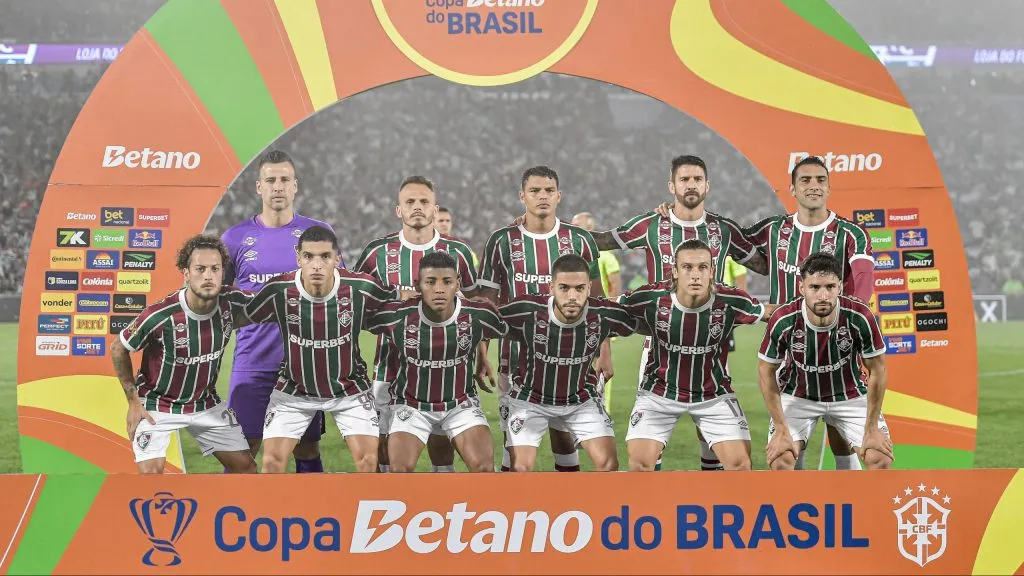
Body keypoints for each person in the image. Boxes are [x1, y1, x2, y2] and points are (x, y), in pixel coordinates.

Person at [604, 155, 767, 471]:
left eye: (697, 179)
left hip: (711, 343)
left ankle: (711, 484)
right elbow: (603, 240)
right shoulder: (652, 224)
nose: (691, 185)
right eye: (684, 179)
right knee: (648, 451)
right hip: (659, 344)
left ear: (707, 185)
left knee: (711, 433)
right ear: (672, 186)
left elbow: (763, 263)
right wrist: (546, 226)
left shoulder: (723, 229)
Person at [744, 155, 875, 471]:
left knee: (841, 431)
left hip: (838, 346)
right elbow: (729, 239)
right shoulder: (773, 229)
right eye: (805, 180)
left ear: (829, 187)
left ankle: (848, 497)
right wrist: (677, 213)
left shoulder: (851, 233)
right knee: (788, 445)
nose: (813, 186)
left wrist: (850, 325)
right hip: (788, 350)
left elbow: (863, 279)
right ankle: (799, 497)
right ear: (792, 188)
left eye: (820, 180)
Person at [477, 165, 611, 473]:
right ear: (522, 196)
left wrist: (605, 350)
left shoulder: (580, 239)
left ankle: (569, 500)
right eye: (535, 191)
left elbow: (598, 301)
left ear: (558, 196)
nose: (542, 196)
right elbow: (488, 304)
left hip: (572, 361)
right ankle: (514, 501)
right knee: (514, 444)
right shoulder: (501, 241)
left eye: (549, 191)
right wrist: (482, 351)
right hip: (516, 361)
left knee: (565, 438)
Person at [240, 226, 395, 473]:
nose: (316, 265)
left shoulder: (361, 287)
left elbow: (397, 306)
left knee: (368, 462)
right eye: (309, 256)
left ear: (337, 258)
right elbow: (242, 315)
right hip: (293, 391)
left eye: (325, 256)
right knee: (271, 463)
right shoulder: (279, 289)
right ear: (298, 258)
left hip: (350, 389)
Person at [353, 176, 478, 473]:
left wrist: (482, 354)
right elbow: (357, 301)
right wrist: (395, 299)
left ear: (435, 208)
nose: (417, 207)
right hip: (388, 366)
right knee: (383, 442)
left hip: (445, 370)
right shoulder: (377, 252)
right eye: (410, 202)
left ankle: (442, 494)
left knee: (440, 442)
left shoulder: (458, 251)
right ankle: (386, 497)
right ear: (399, 210)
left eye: (424, 201)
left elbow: (476, 308)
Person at [221, 149, 334, 474]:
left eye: (285, 179)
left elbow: (336, 293)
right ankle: (235, 509)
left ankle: (309, 507)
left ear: (295, 185)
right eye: (271, 180)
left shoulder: (317, 234)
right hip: (252, 363)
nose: (278, 186)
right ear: (259, 187)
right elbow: (223, 301)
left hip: (303, 366)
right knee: (242, 451)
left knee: (307, 447)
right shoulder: (235, 238)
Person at [619, 240, 775, 471]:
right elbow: (607, 310)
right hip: (659, 394)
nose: (695, 275)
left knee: (740, 466)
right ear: (674, 271)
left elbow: (772, 313)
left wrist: (812, 310)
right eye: (687, 267)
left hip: (713, 396)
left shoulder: (730, 300)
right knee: (640, 465)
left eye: (702, 267)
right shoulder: (651, 297)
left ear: (712, 271)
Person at [110, 235, 255, 474]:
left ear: (223, 273)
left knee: (246, 468)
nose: (208, 276)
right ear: (186, 273)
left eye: (215, 269)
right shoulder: (160, 315)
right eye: (200, 269)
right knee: (151, 476)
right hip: (157, 404)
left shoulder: (232, 302)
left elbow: (273, 302)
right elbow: (119, 347)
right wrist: (133, 401)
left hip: (205, 404)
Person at [366, 252, 506, 473]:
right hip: (411, 405)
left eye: (447, 282)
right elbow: (354, 318)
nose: (439, 289)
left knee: (484, 470)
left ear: (457, 283)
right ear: (417, 285)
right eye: (430, 282)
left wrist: (482, 355)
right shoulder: (398, 315)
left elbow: (510, 328)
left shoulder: (478, 314)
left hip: (460, 404)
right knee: (399, 471)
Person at [499, 254, 637, 472]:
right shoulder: (527, 309)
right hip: (530, 399)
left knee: (609, 466)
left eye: (579, 288)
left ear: (589, 288)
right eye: (564, 288)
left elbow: (648, 319)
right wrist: (482, 357)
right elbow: (485, 322)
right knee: (520, 468)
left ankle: (571, 493)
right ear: (551, 288)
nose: (572, 296)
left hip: (581, 400)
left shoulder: (604, 313)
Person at [757, 252, 893, 471]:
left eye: (830, 287)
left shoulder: (860, 316)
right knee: (780, 460)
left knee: (880, 458)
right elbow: (765, 370)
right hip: (798, 396)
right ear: (802, 288)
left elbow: (878, 369)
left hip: (850, 396)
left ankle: (851, 492)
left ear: (840, 287)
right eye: (814, 287)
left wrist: (871, 428)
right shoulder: (784, 319)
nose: (823, 295)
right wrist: (781, 429)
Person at [571, 211, 622, 413]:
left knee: (601, 363)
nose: (574, 230)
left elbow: (614, 286)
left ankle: (602, 408)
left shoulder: (606, 256)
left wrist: (611, 317)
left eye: (578, 226)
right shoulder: (571, 253)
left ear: (590, 228)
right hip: (576, 317)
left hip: (598, 317)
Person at [437, 205, 479, 269]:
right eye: (441, 221)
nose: (444, 224)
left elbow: (473, 272)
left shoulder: (462, 247)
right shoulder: (425, 247)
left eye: (448, 221)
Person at [721, 256, 748, 353]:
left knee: (723, 351)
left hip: (723, 308)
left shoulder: (730, 253)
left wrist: (741, 307)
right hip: (700, 305)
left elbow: (741, 281)